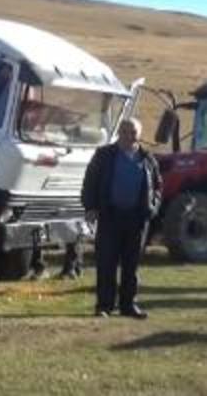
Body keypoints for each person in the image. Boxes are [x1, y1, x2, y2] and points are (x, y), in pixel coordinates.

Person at [81, 117, 163, 319]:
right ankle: (104, 306)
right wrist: (90, 207)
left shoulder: (147, 158)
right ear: (119, 133)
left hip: (136, 220)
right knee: (106, 263)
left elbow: (158, 186)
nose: (129, 136)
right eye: (125, 132)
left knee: (131, 265)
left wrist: (152, 207)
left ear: (139, 135)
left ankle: (128, 305)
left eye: (133, 132)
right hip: (110, 216)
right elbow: (90, 181)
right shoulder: (104, 155)